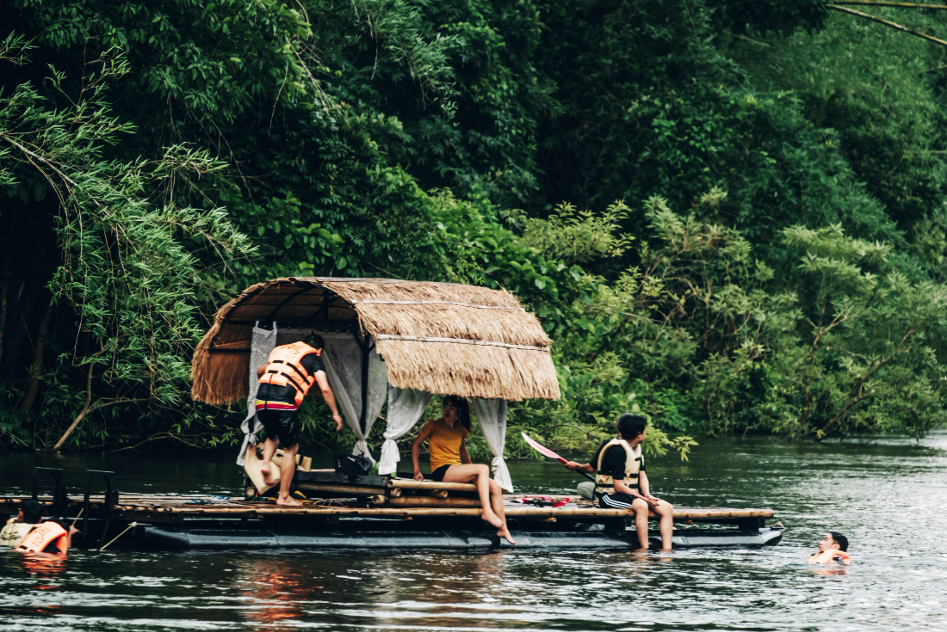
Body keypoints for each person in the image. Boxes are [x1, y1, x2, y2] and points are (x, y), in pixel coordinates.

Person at [411, 395, 516, 545]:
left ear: (458, 410)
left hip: (457, 469)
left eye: (451, 407)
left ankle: (503, 528)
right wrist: (417, 470)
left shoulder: (461, 428)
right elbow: (415, 444)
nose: (447, 410)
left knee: (495, 486)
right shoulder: (433, 424)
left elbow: (462, 449)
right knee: (483, 468)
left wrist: (473, 469)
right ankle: (487, 511)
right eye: (445, 406)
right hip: (441, 470)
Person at [255, 333, 343, 507]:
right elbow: (325, 389)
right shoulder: (313, 358)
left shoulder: (282, 352)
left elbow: (259, 371)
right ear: (319, 350)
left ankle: (266, 464)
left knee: (272, 436)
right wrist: (335, 413)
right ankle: (284, 496)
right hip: (283, 403)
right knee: (290, 448)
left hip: (261, 400)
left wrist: (268, 391)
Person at [564, 413, 674, 551]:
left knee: (667, 508)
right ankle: (643, 549)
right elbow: (618, 485)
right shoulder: (616, 450)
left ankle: (667, 550)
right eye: (645, 430)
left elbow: (642, 475)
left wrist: (648, 495)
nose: (645, 433)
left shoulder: (637, 450)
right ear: (639, 434)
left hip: (632, 494)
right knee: (641, 506)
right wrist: (643, 499)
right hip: (609, 495)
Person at [1, 500, 78, 554]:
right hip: (25, 556)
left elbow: (13, 520)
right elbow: (65, 550)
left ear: (20, 514)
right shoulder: (38, 530)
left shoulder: (7, 526)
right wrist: (70, 533)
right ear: (40, 519)